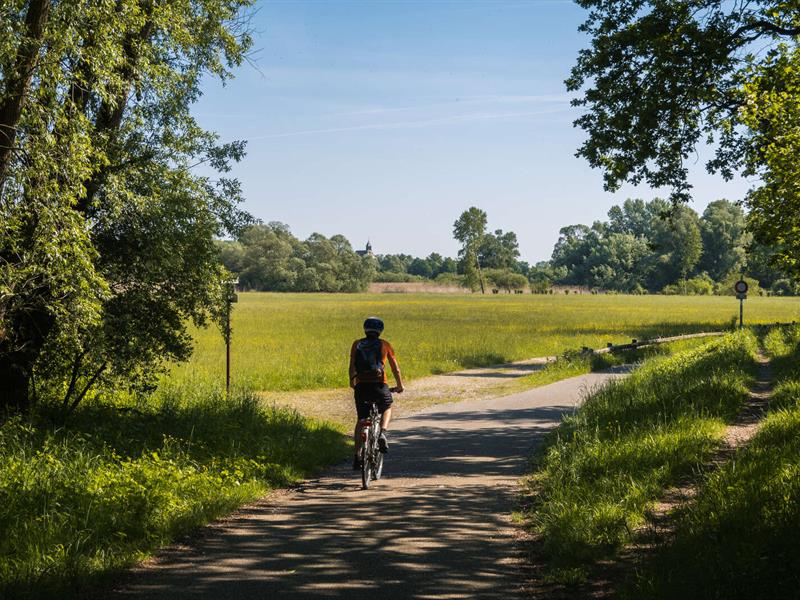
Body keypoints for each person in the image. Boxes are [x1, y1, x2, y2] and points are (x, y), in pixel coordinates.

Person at [349, 316, 404, 470]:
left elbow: (352, 366)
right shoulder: (385, 345)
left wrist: (352, 382)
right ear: (380, 331)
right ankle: (382, 433)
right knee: (387, 406)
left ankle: (357, 456)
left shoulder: (357, 344)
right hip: (380, 385)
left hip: (361, 386)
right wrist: (399, 386)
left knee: (361, 420)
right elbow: (395, 369)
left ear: (365, 329)